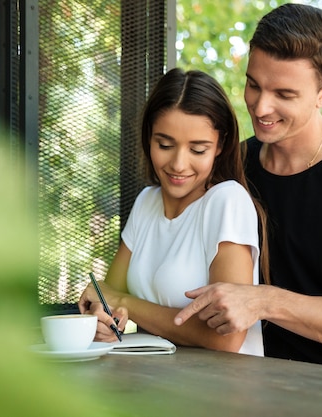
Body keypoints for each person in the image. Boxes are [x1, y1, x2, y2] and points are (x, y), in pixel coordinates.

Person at [174, 4, 322, 373]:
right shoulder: (233, 166)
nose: (260, 106)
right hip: (244, 387)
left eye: (284, 94)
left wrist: (265, 301)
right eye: (253, 84)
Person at [78, 68, 268, 356]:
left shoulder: (227, 201)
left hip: (223, 392)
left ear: (220, 146)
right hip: (153, 384)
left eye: (198, 150)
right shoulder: (146, 202)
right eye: (165, 145)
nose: (179, 164)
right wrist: (102, 319)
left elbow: (225, 339)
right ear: (148, 138)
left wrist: (126, 303)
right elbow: (108, 298)